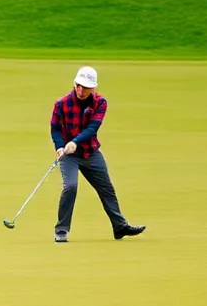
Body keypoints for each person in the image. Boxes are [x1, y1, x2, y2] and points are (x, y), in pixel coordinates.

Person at [51, 66, 145, 244]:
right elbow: (55, 128)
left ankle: (119, 227)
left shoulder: (100, 103)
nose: (81, 90)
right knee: (70, 186)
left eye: (85, 87)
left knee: (106, 189)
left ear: (93, 88)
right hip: (68, 155)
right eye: (78, 85)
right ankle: (61, 230)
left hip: (90, 152)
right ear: (74, 83)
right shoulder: (61, 103)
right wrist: (60, 147)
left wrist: (75, 142)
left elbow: (92, 128)